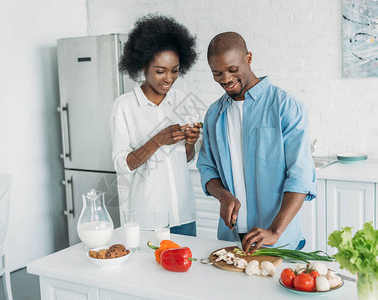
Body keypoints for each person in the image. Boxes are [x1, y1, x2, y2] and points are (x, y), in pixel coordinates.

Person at [197, 32, 316, 253]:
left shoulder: (285, 106)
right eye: (217, 73)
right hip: (229, 241)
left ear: (249, 58)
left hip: (278, 243)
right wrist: (223, 195)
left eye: (232, 70)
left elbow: (300, 177)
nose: (225, 79)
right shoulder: (214, 113)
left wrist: (275, 231)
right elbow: (206, 168)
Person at [111, 14, 201, 236]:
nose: (168, 78)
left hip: (183, 214)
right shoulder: (124, 106)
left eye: (175, 70)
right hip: (146, 217)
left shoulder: (183, 101)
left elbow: (187, 158)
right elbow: (123, 165)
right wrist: (158, 140)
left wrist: (191, 142)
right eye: (160, 71)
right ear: (142, 67)